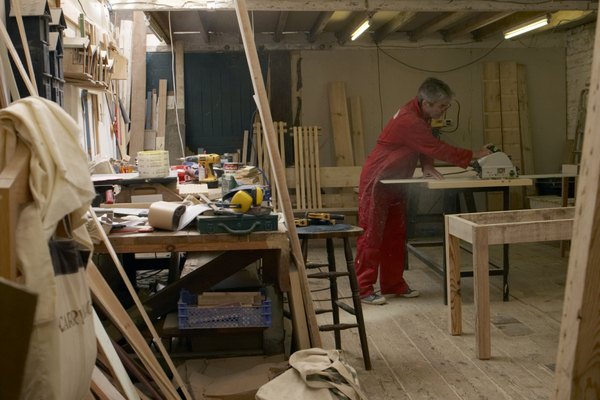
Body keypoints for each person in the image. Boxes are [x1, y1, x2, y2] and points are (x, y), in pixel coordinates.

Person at [356, 77, 493, 305]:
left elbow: (424, 144)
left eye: (447, 106)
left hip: (396, 180)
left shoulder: (420, 114)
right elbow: (435, 146)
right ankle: (363, 288)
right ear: (426, 102)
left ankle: (393, 284)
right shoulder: (410, 120)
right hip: (378, 180)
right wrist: (474, 154)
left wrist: (427, 165)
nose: (445, 110)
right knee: (372, 236)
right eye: (442, 106)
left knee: (395, 235)